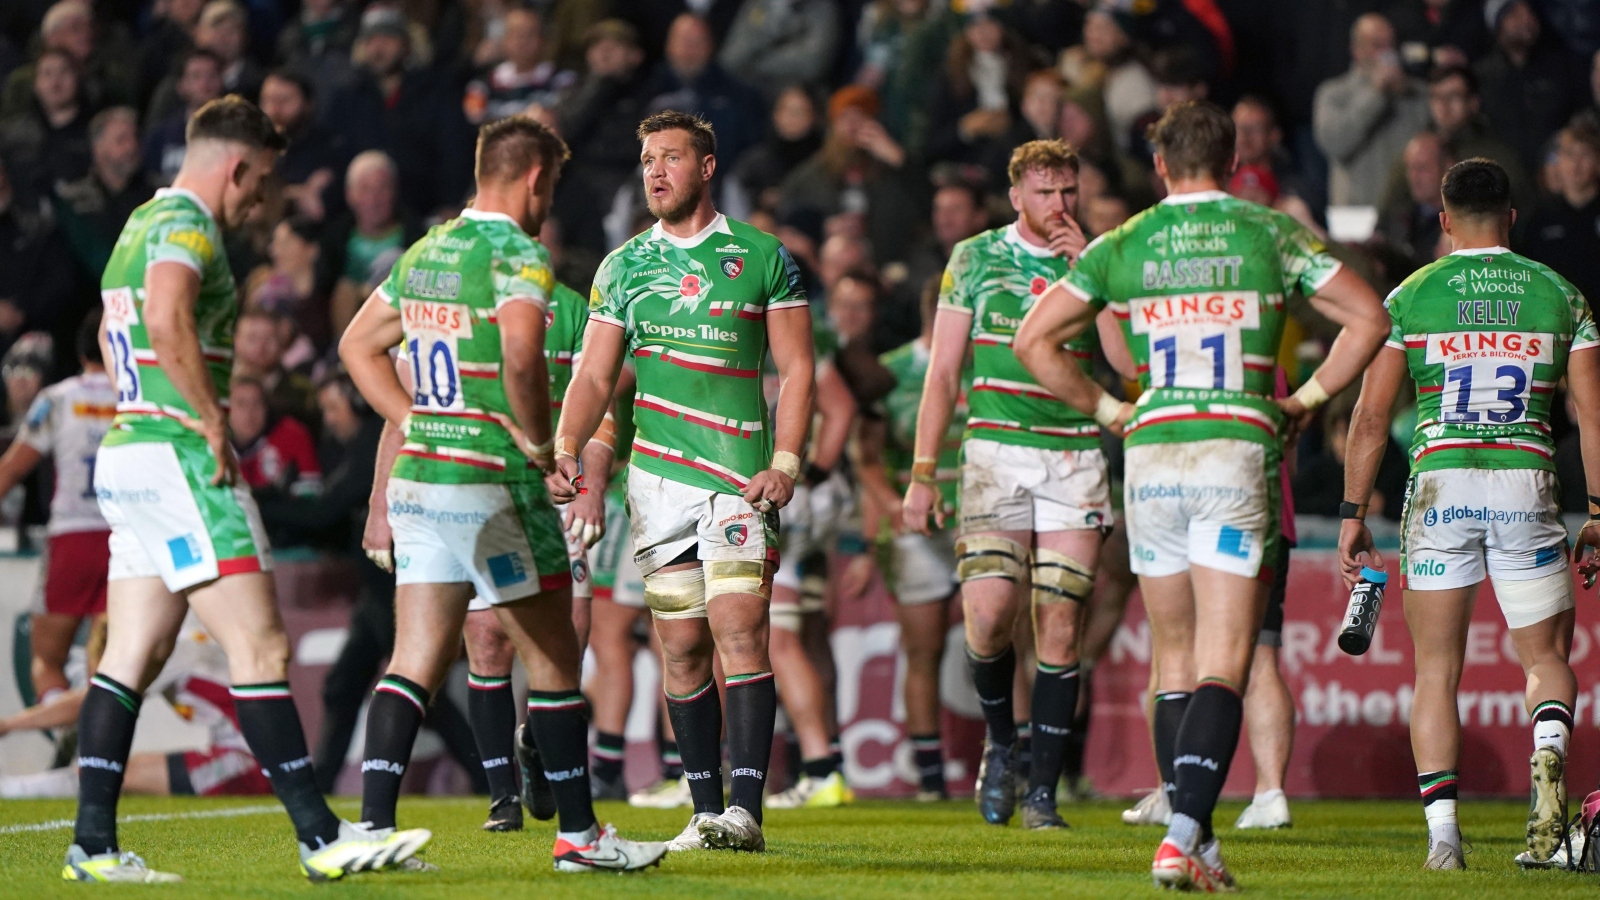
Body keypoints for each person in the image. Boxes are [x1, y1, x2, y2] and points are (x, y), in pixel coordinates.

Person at [1015, 100, 1387, 890]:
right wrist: (1306, 399)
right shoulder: (1269, 232)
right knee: (1227, 654)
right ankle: (1183, 835)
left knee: (1174, 656)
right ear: (1231, 162)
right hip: (1233, 453)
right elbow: (1368, 316)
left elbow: (1032, 342)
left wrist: (1111, 410)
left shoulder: (1125, 242)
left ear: (1159, 166)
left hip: (1153, 456)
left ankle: (1199, 841)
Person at [78, 95, 428, 883]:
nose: (259, 200)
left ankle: (91, 845)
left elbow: (113, 330)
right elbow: (166, 316)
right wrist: (208, 419)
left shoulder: (137, 223)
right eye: (260, 181)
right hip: (178, 456)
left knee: (133, 651)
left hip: (131, 446)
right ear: (235, 166)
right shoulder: (189, 225)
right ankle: (319, 837)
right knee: (261, 646)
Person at [338, 113, 664, 872]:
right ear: (534, 178)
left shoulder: (424, 251)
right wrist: (536, 437)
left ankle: (371, 831)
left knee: (413, 660)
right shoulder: (518, 254)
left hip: (423, 480)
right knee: (553, 660)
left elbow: (358, 345)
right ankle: (580, 837)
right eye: (550, 184)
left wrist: (416, 421)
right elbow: (523, 352)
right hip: (494, 486)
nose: (549, 201)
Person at [550, 110, 814, 853]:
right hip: (657, 484)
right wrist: (567, 444)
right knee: (682, 647)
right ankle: (705, 812)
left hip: (738, 479)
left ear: (706, 167)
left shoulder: (763, 257)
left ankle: (748, 811)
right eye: (645, 160)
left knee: (738, 628)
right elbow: (597, 371)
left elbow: (796, 369)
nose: (655, 172)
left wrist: (785, 462)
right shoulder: (623, 266)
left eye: (670, 157)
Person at [1341, 156, 1600, 870]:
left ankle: (1444, 842)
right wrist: (1599, 512)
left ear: (1446, 219)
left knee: (1435, 672)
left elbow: (1368, 418)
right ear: (1512, 218)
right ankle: (1547, 786)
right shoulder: (1561, 296)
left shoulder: (1410, 295)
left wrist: (1352, 510)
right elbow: (1595, 416)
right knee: (1546, 660)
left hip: (1440, 487)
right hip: (1526, 483)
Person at [903, 139, 1122, 831]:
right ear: (1017, 196)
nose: (1059, 205)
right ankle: (1001, 744)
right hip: (995, 453)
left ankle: (1042, 794)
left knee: (1060, 625)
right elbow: (941, 375)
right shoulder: (973, 258)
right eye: (1045, 192)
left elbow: (1122, 363)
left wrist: (1092, 274)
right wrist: (921, 473)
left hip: (1074, 454)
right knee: (991, 619)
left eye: (1068, 191)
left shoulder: (1099, 257)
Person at [857, 275, 964, 800]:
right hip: (916, 525)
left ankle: (1020, 767)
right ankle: (930, 780)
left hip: (979, 515)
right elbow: (867, 455)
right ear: (934, 310)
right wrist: (889, 507)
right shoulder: (892, 371)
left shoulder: (985, 364)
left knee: (1009, 641)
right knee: (924, 650)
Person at [0, 316, 112, 711]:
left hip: (72, 539)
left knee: (46, 660)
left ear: (81, 352)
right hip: (126, 543)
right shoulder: (139, 401)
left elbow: (12, 470)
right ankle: (99, 726)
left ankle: (62, 713)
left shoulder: (59, 398)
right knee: (112, 666)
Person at [1313, 13, 1431, 207]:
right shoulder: (1333, 93)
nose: (1387, 53)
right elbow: (1335, 143)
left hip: (1404, 213)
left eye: (1391, 45)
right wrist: (1376, 95)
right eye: (1377, 45)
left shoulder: (1415, 92)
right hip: (1354, 212)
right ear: (1357, 50)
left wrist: (1407, 94)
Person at [1518, 125, 1600, 309]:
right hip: (1557, 321)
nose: (1575, 164)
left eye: (1584, 154)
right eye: (1568, 154)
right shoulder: (1538, 219)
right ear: (1558, 162)